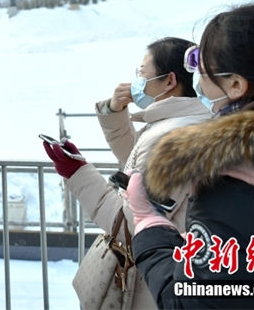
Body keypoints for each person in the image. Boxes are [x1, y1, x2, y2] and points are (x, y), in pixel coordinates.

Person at [128, 2, 254, 308]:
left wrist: (150, 227)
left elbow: (196, 304)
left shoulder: (233, 189)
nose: (196, 77)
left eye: (200, 65)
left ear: (235, 84)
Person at [43, 37, 211, 309]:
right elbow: (139, 166)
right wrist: (114, 115)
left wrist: (75, 172)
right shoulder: (188, 123)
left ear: (169, 81)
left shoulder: (172, 137)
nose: (137, 80)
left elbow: (131, 227)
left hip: (151, 285)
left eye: (142, 72)